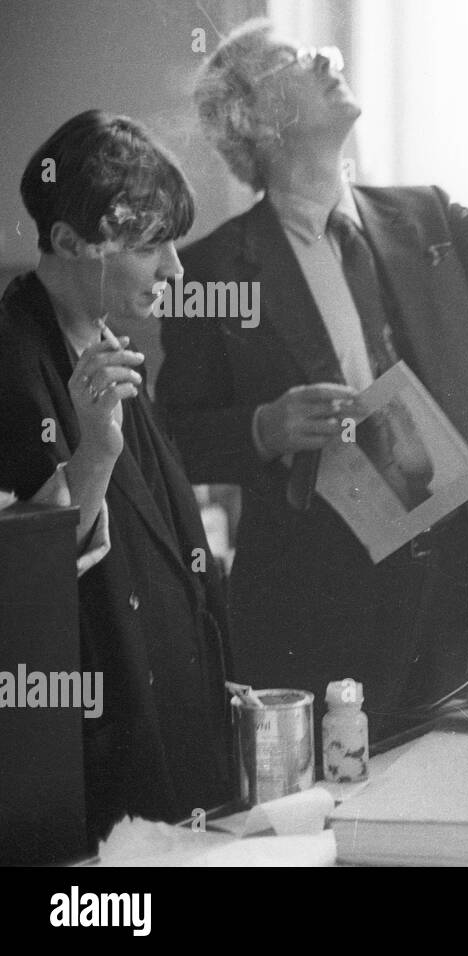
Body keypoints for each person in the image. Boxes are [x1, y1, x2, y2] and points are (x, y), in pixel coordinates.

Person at [156, 11, 468, 731]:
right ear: (256, 120)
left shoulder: (423, 217)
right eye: (296, 60)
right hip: (317, 597)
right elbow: (176, 437)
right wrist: (262, 427)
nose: (329, 56)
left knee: (452, 789)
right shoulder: (211, 271)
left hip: (457, 577)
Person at [0, 111, 233, 842]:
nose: (176, 271)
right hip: (87, 762)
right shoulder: (10, 360)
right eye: (151, 247)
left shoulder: (101, 341)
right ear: (69, 242)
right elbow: (22, 587)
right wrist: (94, 454)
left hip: (168, 732)